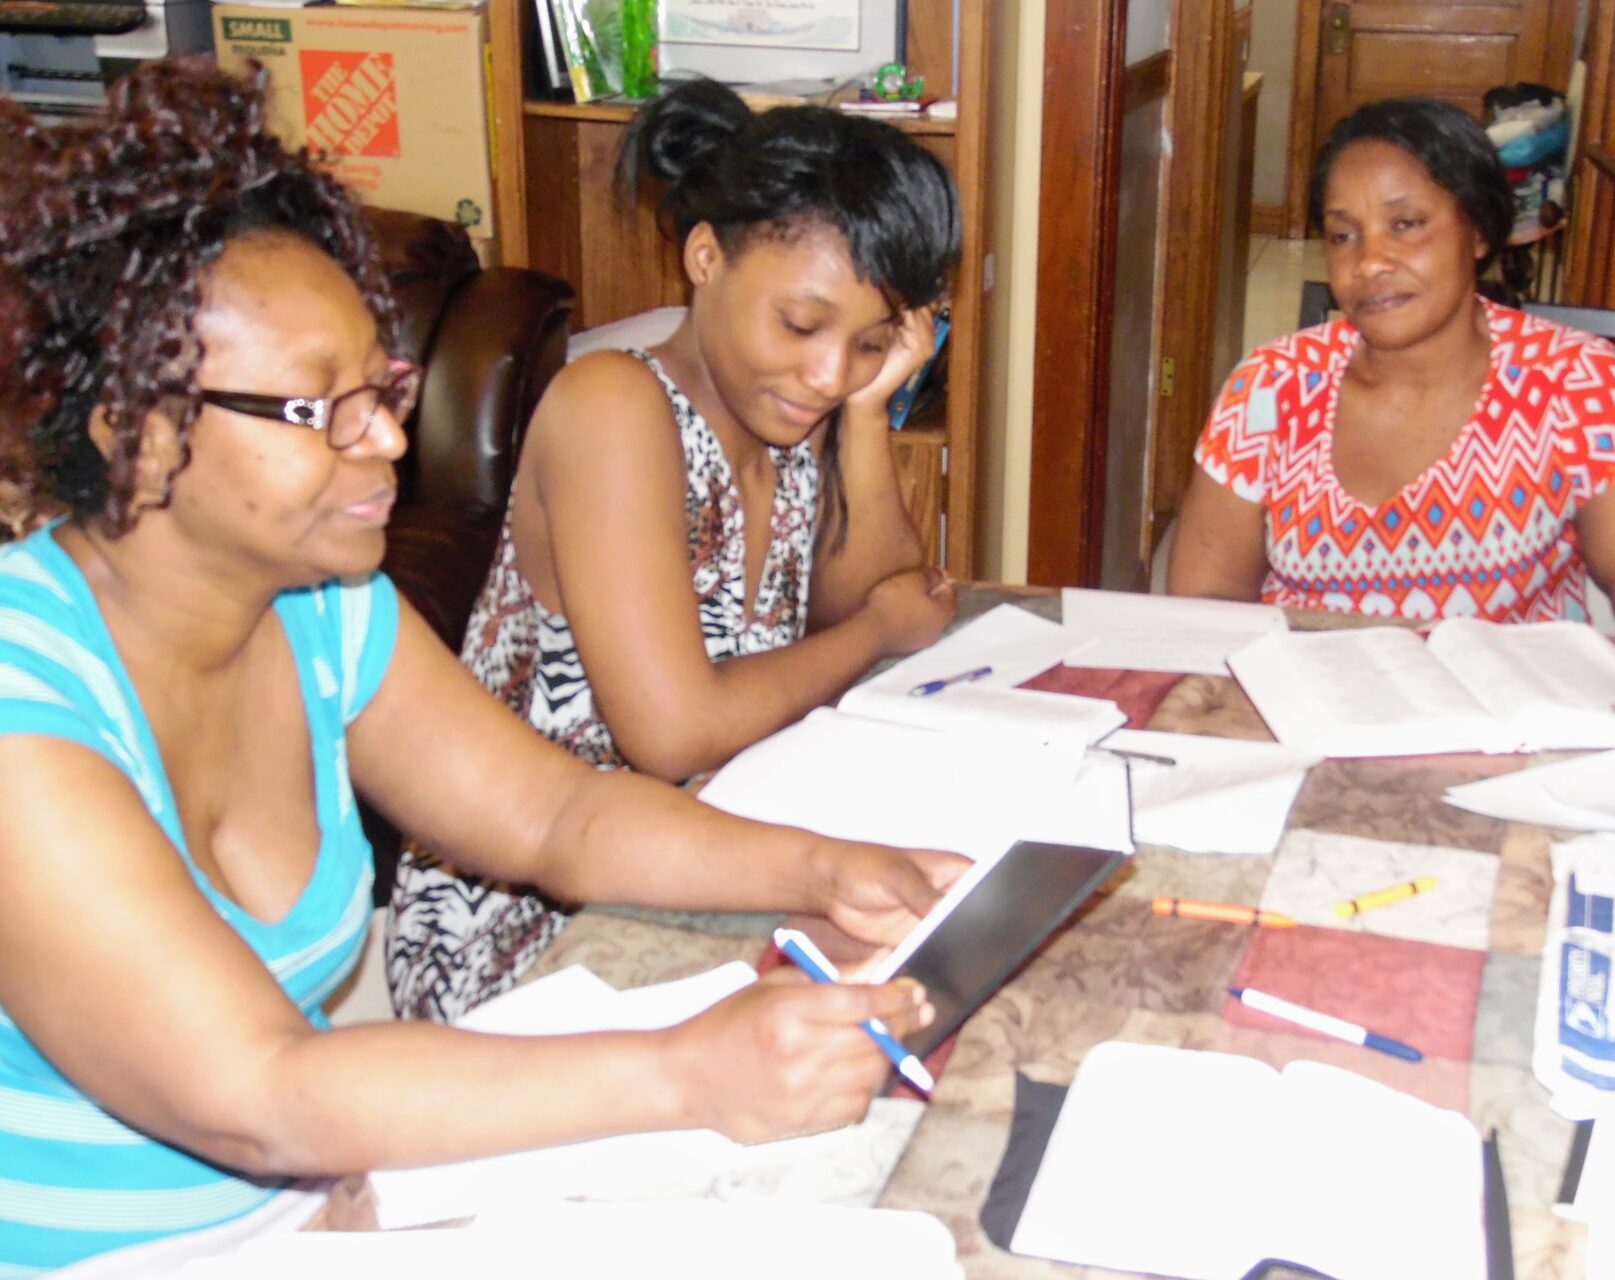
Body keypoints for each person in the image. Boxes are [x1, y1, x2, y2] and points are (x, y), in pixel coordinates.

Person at [0, 58, 964, 1275]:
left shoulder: (322, 610)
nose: (391, 441)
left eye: (383, 387)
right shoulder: (22, 702)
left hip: (316, 1215)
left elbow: (557, 811)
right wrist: (689, 1069)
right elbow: (256, 1087)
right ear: (133, 434)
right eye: (322, 410)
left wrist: (826, 867)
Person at [387, 78, 961, 1021]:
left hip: (712, 837)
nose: (825, 370)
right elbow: (673, 732)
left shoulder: (788, 401)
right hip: (534, 908)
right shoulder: (614, 407)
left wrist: (864, 412)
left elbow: (867, 593)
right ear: (704, 257)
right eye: (802, 324)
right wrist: (878, 634)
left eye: (868, 343)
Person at [1169, 97, 1615, 716]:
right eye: (1343, 235)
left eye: (1407, 224)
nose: (1370, 263)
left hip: (1509, 729)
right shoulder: (1272, 387)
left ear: (1478, 231)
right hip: (1307, 719)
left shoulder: (1571, 382)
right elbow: (1208, 596)